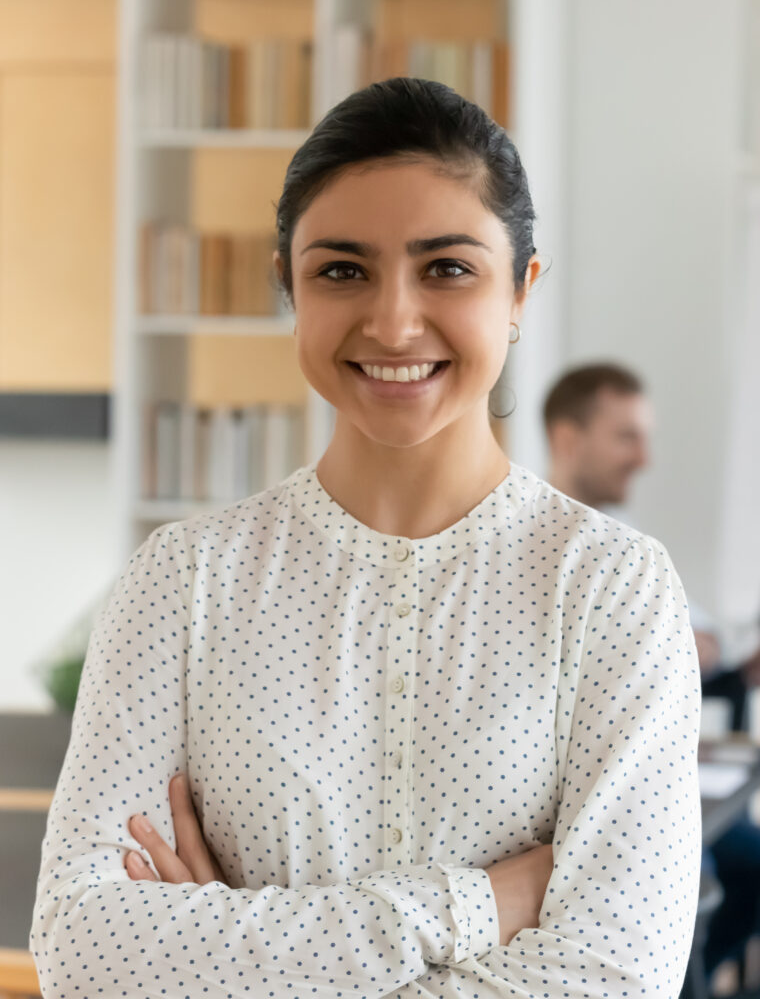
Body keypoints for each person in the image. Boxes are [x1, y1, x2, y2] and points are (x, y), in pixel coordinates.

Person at [30, 79, 701, 998]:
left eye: (447, 268)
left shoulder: (614, 589)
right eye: (342, 270)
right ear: (290, 289)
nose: (391, 321)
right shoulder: (180, 584)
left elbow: (618, 977)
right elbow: (82, 949)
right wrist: (482, 907)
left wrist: (231, 956)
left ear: (521, 289)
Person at [543, 361, 760, 984]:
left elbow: (707, 634)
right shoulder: (541, 551)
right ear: (568, 437)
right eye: (627, 436)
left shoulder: (630, 551)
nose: (644, 458)